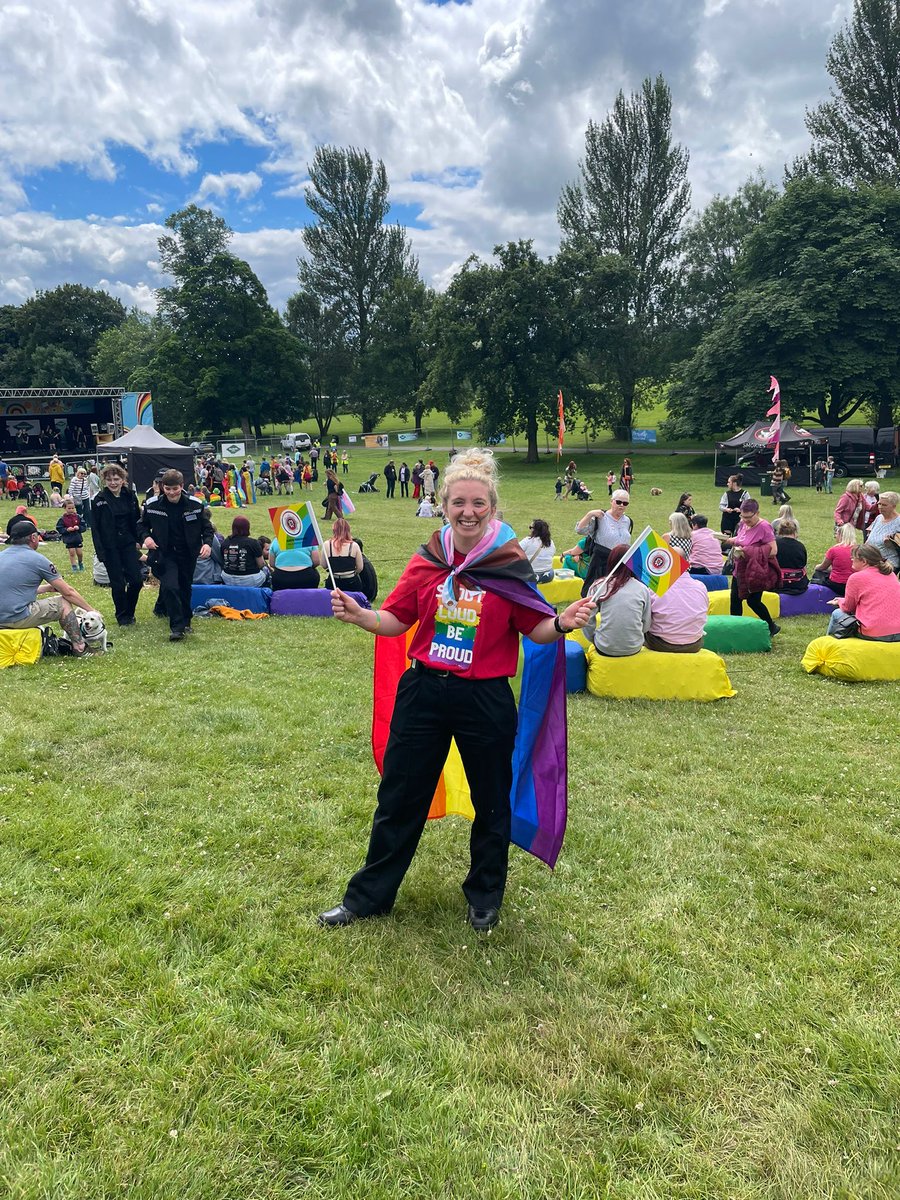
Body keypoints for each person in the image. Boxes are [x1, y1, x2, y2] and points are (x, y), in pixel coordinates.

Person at [319, 448, 594, 932]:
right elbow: (396, 619)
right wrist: (363, 617)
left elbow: (537, 630)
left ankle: (485, 893)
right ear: (442, 503)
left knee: (492, 800)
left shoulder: (508, 563)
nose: (468, 512)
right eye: (458, 503)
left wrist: (562, 621)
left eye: (478, 503)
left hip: (484, 699)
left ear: (493, 508)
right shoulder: (427, 560)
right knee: (399, 797)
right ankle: (368, 898)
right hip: (423, 692)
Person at [138, 468, 214, 641]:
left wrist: (208, 545)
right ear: (162, 487)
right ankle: (177, 627)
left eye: (175, 488)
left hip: (188, 553)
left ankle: (186, 621)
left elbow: (207, 528)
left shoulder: (195, 504)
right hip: (164, 554)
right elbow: (141, 525)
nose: (171, 492)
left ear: (182, 486)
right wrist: (146, 537)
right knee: (171, 587)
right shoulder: (152, 505)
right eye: (168, 488)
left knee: (185, 587)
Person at [0, 519, 90, 655]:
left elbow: (14, 588)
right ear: (33, 537)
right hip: (16, 617)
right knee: (63, 602)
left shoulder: (2, 556)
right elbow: (68, 592)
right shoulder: (38, 559)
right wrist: (91, 610)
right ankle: (79, 646)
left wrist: (46, 588)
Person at [90, 463, 143, 626]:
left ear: (122, 480)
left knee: (136, 581)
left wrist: (139, 540)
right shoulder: (99, 500)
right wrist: (100, 552)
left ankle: (130, 611)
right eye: (109, 479)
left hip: (128, 544)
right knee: (118, 584)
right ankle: (122, 616)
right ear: (104, 481)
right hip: (110, 546)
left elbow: (137, 519)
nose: (113, 483)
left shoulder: (130, 496)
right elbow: (95, 529)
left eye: (116, 479)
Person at [722, 499, 781, 635]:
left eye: (749, 517)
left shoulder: (764, 527)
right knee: (735, 599)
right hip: (740, 568)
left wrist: (749, 551)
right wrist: (730, 540)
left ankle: (771, 626)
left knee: (753, 601)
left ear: (757, 513)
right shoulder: (743, 523)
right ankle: (735, 629)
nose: (746, 520)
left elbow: (773, 551)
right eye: (743, 516)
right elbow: (741, 538)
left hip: (755, 569)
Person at [583, 543, 651, 657]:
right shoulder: (643, 589)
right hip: (634, 647)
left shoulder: (598, 586)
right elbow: (646, 624)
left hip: (604, 647)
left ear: (611, 561)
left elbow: (587, 618)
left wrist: (594, 638)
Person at [826, 544, 900, 641]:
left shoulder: (856, 578)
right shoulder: (890, 574)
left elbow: (848, 607)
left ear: (864, 561)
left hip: (873, 633)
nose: (851, 560)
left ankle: (829, 646)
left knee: (837, 613)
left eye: (853, 558)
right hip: (897, 632)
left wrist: (839, 602)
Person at [574, 490, 633, 597]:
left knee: (617, 594)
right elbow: (579, 530)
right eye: (618, 502)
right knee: (595, 594)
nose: (621, 505)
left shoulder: (628, 521)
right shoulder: (600, 517)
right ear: (611, 501)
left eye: (625, 503)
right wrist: (589, 514)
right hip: (601, 563)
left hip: (621, 563)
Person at [644, 572, 708, 653]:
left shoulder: (656, 586)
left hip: (660, 644)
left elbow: (645, 621)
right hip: (694, 644)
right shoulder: (701, 586)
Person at [811, 523, 858, 597]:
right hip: (853, 584)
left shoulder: (834, 550)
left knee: (818, 574)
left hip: (837, 584)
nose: (835, 537)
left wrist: (816, 567)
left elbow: (823, 567)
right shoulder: (859, 550)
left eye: (836, 534)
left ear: (840, 535)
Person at [220, 516, 267, 587]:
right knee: (266, 571)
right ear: (247, 528)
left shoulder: (225, 543)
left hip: (228, 578)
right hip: (250, 579)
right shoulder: (253, 543)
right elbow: (261, 564)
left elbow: (223, 561)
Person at [322, 518, 365, 592]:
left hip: (333, 582)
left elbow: (324, 565)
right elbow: (360, 567)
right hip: (351, 582)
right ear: (348, 530)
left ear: (334, 530)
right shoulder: (354, 545)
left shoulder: (327, 544)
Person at [865, 490, 900, 573]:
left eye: (884, 505)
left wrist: (892, 542)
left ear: (894, 506)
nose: (880, 507)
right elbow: (870, 536)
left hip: (888, 565)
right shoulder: (879, 518)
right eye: (879, 504)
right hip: (872, 561)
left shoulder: (898, 521)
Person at [774, 518, 808, 593]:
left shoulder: (774, 544)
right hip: (798, 584)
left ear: (779, 532)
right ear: (795, 532)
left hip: (777, 583)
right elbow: (803, 564)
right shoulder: (800, 546)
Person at [518, 518, 556, 584]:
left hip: (531, 576)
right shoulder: (551, 542)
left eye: (530, 527)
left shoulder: (528, 541)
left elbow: (515, 552)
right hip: (548, 576)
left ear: (534, 529)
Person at [56, 497, 86, 572]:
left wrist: (78, 527)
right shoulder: (62, 519)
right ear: (65, 508)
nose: (71, 510)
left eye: (73, 508)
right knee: (72, 553)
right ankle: (74, 566)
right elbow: (59, 528)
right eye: (69, 508)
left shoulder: (78, 517)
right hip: (69, 539)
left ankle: (80, 563)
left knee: (79, 553)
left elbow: (84, 526)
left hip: (77, 538)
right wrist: (66, 530)